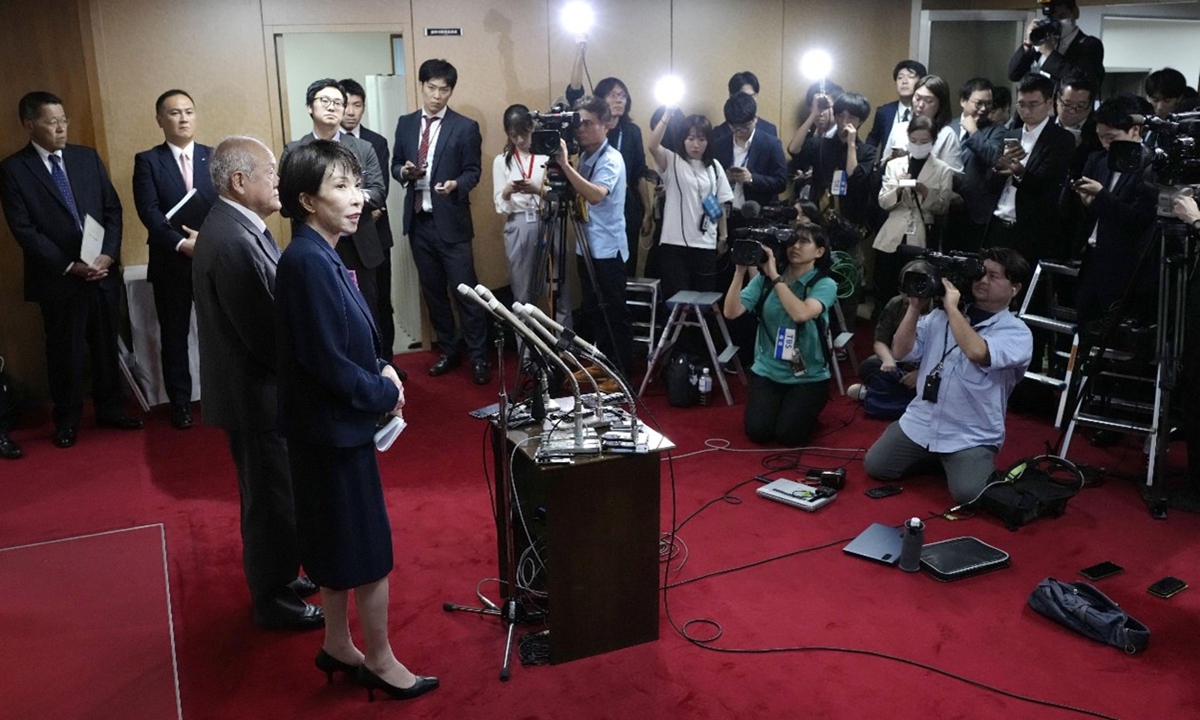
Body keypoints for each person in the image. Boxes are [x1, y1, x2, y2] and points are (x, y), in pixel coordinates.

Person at [275, 140, 437, 702]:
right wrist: (383, 391)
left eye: (356, 184)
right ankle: (381, 661)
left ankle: (338, 644)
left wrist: (382, 368)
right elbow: (325, 361)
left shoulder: (320, 253)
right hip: (331, 432)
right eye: (340, 187)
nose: (357, 197)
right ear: (306, 200)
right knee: (366, 552)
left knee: (336, 544)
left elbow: (347, 340)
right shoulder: (307, 261)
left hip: (329, 429)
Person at [192, 136, 322, 630]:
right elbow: (264, 337)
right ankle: (274, 599)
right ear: (239, 181)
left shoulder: (238, 225)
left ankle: (283, 576)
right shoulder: (233, 240)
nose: (279, 181)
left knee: (274, 494)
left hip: (254, 391)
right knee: (269, 501)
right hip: (254, 395)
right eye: (271, 172)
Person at [0, 91, 143, 449]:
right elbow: (25, 230)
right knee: (65, 351)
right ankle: (67, 419)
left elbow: (112, 209)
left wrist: (108, 255)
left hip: (101, 272)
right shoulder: (14, 169)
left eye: (63, 120)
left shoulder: (86, 157)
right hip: (58, 278)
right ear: (30, 125)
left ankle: (110, 409)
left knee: (106, 345)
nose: (61, 128)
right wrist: (69, 266)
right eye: (52, 122)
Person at [863, 248, 1033, 504]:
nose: (983, 280)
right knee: (876, 466)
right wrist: (914, 307)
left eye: (994, 276)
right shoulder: (938, 316)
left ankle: (950, 459)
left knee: (969, 495)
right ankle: (939, 458)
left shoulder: (1017, 332)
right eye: (981, 273)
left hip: (970, 433)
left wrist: (952, 308)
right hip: (922, 420)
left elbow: (977, 351)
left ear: (1015, 288)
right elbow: (900, 351)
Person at [391, 59, 490, 385]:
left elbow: (473, 171)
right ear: (421, 87)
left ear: (451, 91)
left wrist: (456, 185)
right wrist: (404, 172)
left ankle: (479, 356)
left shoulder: (465, 127)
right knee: (433, 293)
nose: (436, 95)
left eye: (443, 90)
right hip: (419, 222)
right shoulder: (406, 123)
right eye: (431, 88)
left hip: (452, 224)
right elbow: (395, 163)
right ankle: (449, 351)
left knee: (467, 294)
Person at [132, 89, 217, 429]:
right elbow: (149, 212)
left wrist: (206, 242)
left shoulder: (214, 157)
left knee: (217, 333)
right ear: (160, 120)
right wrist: (182, 244)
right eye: (175, 113)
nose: (183, 118)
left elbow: (227, 205)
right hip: (171, 262)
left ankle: (219, 395)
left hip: (210, 260)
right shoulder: (148, 161)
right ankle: (180, 402)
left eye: (189, 111)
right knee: (174, 336)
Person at [282, 79, 388, 348]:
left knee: (368, 313)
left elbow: (378, 191)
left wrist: (348, 198)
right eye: (325, 101)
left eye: (338, 103)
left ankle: (378, 365)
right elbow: (286, 202)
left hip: (359, 245)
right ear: (310, 107)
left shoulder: (362, 148)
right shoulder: (295, 151)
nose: (332, 107)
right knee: (325, 317)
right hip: (317, 243)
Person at [722, 223, 837, 446]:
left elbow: (801, 314)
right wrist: (740, 272)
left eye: (804, 242)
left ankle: (804, 412)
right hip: (768, 370)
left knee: (789, 436)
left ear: (819, 251)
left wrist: (775, 276)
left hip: (808, 375)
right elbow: (731, 312)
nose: (796, 246)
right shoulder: (764, 280)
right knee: (758, 432)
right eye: (792, 241)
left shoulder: (824, 283)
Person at [554, 93, 632, 375]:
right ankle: (603, 363)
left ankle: (620, 370)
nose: (581, 129)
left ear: (606, 125)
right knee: (593, 308)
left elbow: (596, 195)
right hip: (586, 245)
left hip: (607, 248)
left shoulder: (611, 159)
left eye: (588, 123)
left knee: (613, 311)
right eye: (578, 123)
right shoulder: (586, 156)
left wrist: (565, 166)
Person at [565, 40, 653, 276]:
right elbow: (575, 93)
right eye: (613, 95)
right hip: (595, 204)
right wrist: (579, 51)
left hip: (626, 203)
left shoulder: (631, 131)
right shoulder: (591, 128)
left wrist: (647, 210)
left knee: (623, 268)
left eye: (623, 95)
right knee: (594, 266)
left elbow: (639, 173)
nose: (619, 100)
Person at [1071, 94, 1157, 329]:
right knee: (1084, 326)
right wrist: (1087, 202)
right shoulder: (1099, 160)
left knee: (1116, 335)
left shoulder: (1150, 166)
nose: (1106, 144)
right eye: (1101, 137)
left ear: (1135, 130)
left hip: (1125, 267)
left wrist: (1101, 197)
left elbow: (1140, 219)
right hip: (1092, 257)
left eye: (1111, 137)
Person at [340, 77, 401, 367]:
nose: (351, 111)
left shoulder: (375, 142)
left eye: (358, 105)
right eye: (347, 105)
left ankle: (387, 361)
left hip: (375, 235)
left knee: (381, 301)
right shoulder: (323, 145)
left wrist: (367, 206)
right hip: (341, 238)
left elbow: (379, 192)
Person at [648, 107, 734, 301]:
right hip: (674, 244)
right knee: (677, 300)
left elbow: (721, 204)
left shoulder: (714, 167)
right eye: (691, 138)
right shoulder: (672, 161)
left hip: (706, 243)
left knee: (703, 299)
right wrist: (667, 115)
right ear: (683, 139)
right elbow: (653, 146)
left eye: (701, 139)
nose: (696, 145)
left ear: (708, 141)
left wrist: (723, 236)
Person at [874, 116, 955, 303]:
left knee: (915, 287)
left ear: (933, 141)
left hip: (922, 234)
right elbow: (883, 202)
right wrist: (899, 187)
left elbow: (943, 207)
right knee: (885, 283)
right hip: (892, 234)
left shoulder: (943, 169)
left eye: (924, 141)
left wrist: (925, 191)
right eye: (914, 140)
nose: (918, 145)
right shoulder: (895, 165)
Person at [847, 260, 933, 408]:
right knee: (869, 366)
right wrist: (888, 359)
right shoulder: (896, 303)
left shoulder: (940, 308)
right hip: (900, 366)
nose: (911, 296)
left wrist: (922, 373)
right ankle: (898, 398)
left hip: (929, 368)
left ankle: (875, 396)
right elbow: (880, 341)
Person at [491, 104, 549, 307]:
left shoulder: (546, 155)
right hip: (518, 221)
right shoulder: (502, 161)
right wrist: (507, 191)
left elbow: (558, 194)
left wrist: (538, 189)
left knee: (554, 283)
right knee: (521, 285)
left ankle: (560, 327)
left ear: (532, 127)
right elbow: (500, 205)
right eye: (514, 136)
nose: (520, 140)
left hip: (547, 218)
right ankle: (523, 328)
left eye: (524, 134)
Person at [946, 78, 1006, 253]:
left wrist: (973, 131)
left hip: (976, 211)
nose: (984, 108)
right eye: (979, 103)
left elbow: (994, 157)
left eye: (989, 104)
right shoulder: (948, 127)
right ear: (963, 101)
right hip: (946, 206)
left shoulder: (998, 130)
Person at [712, 93, 789, 215]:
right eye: (734, 127)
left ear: (755, 118)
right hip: (727, 213)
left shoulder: (771, 144)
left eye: (745, 127)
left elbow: (781, 182)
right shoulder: (719, 145)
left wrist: (752, 179)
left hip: (757, 215)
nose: (739, 132)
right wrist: (723, 178)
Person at [1007, 0, 1104, 89]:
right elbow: (1014, 75)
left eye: (1061, 16)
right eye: (1051, 18)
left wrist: (1049, 53)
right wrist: (1028, 43)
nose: (1055, 23)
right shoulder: (1043, 40)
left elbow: (1082, 82)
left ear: (1075, 13)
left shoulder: (1089, 44)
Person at [866, 59, 927, 154]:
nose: (904, 81)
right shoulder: (884, 112)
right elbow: (872, 140)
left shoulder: (926, 111)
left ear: (921, 82)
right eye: (900, 77)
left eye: (911, 77)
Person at [909, 75, 964, 173]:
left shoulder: (947, 135)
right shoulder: (899, 128)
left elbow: (954, 175)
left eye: (929, 101)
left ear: (940, 104)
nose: (920, 105)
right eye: (917, 98)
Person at [714, 71, 780, 140]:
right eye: (744, 96)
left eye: (752, 96)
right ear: (731, 96)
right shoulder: (719, 133)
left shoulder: (769, 130)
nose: (748, 100)